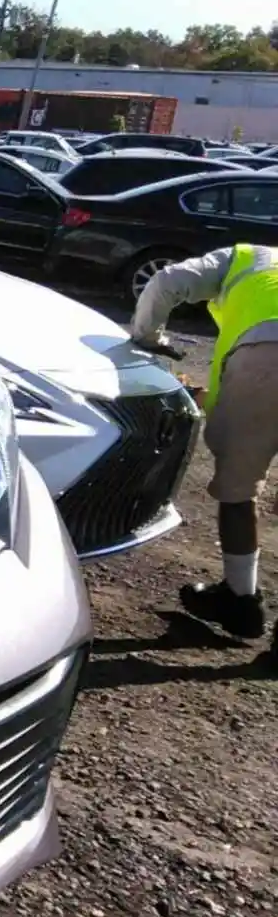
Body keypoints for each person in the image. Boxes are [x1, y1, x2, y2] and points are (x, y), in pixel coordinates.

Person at [131, 243, 278, 642]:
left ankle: (240, 599)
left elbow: (165, 282)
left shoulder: (243, 258)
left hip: (266, 361)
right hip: (263, 365)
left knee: (238, 490)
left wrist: (148, 338)